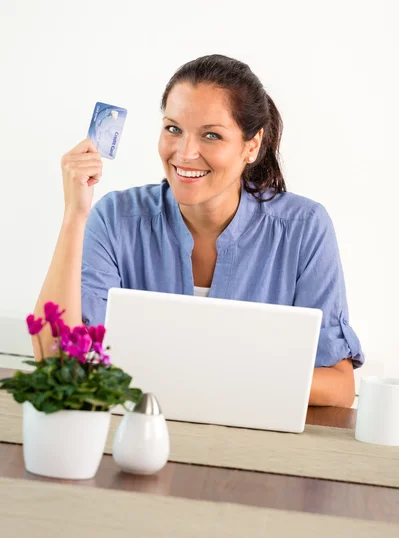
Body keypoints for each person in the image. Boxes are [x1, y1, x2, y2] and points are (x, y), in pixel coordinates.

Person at [33, 54, 364, 407]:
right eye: (173, 128)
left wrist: (215, 376)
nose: (185, 152)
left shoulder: (303, 229)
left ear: (251, 146)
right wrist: (74, 215)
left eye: (211, 135)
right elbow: (58, 364)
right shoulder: (116, 219)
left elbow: (339, 387)